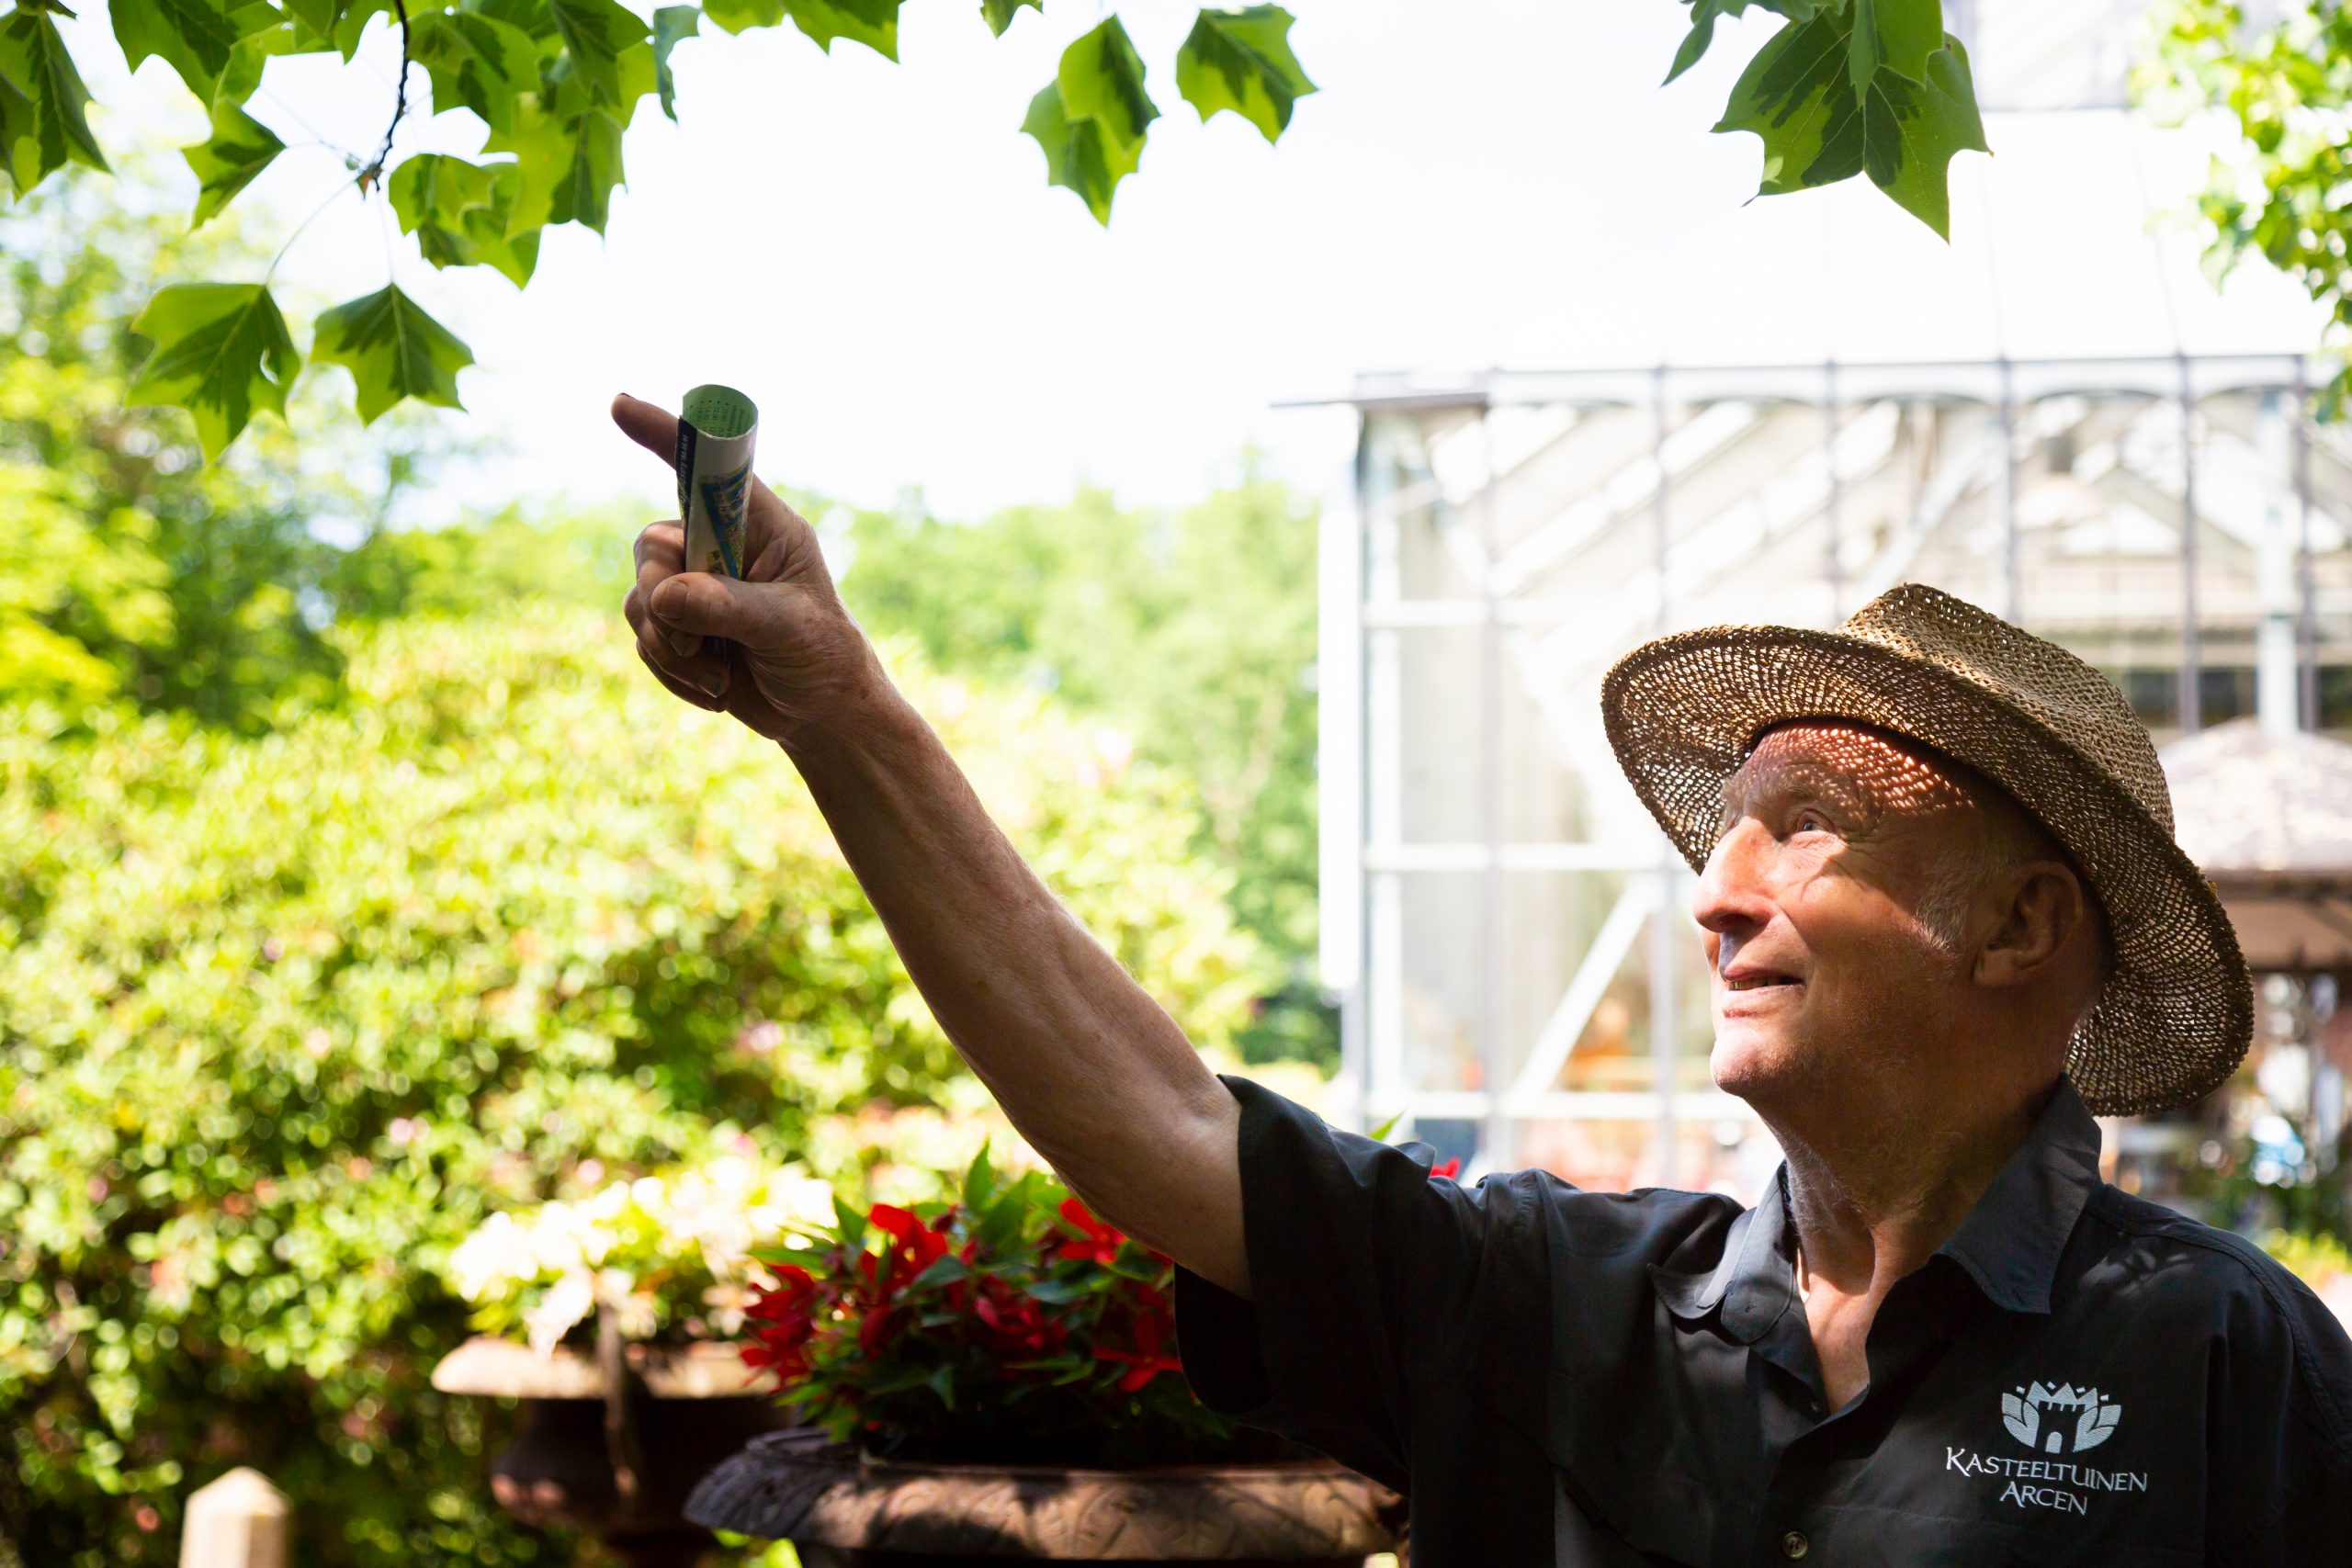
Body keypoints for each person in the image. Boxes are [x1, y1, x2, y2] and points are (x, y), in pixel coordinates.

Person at [610, 393, 2352, 1562]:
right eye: (1711, 840)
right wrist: (842, 715)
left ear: (2023, 928)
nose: (1712, 901)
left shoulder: (2226, 1364)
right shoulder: (1552, 1298)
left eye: (1801, 832)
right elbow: (1153, 1124)